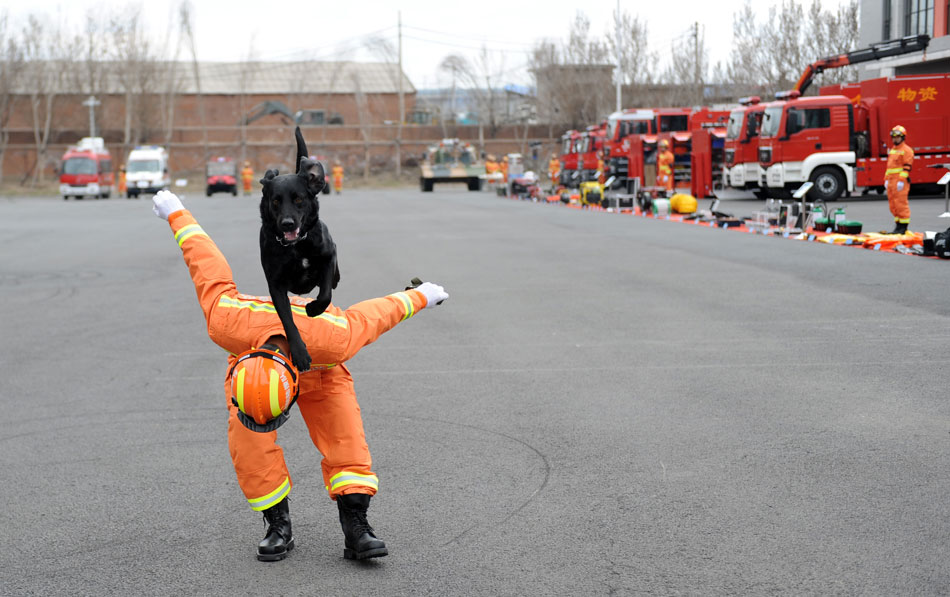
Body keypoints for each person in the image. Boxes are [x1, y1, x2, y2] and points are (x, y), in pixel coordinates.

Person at [150, 190, 448, 562]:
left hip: (320, 370)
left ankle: (356, 524)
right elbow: (206, 264)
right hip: (252, 371)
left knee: (346, 441)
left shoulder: (334, 337)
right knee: (248, 446)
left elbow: (375, 315)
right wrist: (177, 214)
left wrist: (420, 295)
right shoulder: (226, 323)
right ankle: (278, 525)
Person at [883, 125, 914, 234]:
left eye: (897, 137)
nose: (895, 139)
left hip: (900, 182)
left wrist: (901, 180)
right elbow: (889, 168)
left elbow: (907, 167)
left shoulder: (907, 150)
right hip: (891, 182)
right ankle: (898, 226)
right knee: (893, 205)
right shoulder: (892, 151)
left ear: (903, 137)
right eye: (894, 137)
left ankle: (903, 227)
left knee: (901, 204)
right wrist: (886, 179)